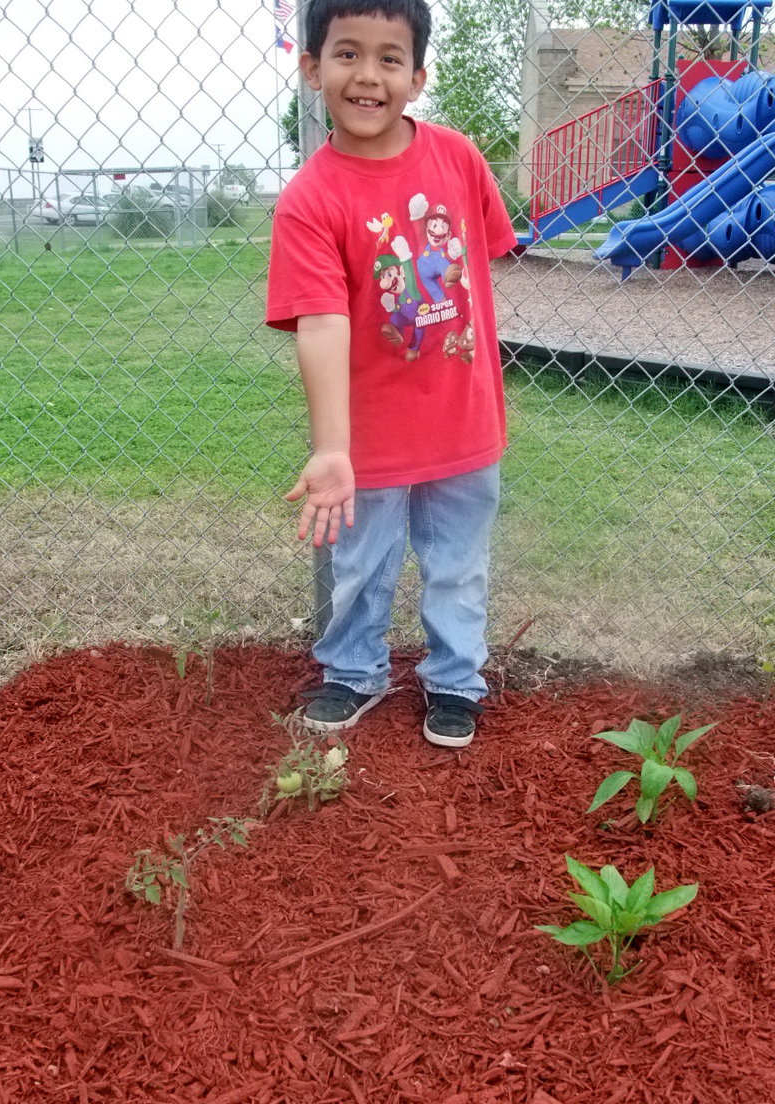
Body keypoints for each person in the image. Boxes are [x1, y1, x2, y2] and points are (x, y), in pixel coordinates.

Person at [265, 0, 516, 748]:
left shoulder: (458, 158)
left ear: (417, 75)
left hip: (462, 422)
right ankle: (353, 672)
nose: (367, 75)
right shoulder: (310, 200)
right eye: (346, 53)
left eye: (388, 57)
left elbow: (479, 261)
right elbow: (322, 321)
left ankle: (455, 681)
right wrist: (333, 448)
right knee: (361, 565)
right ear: (312, 67)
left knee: (458, 566)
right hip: (367, 437)